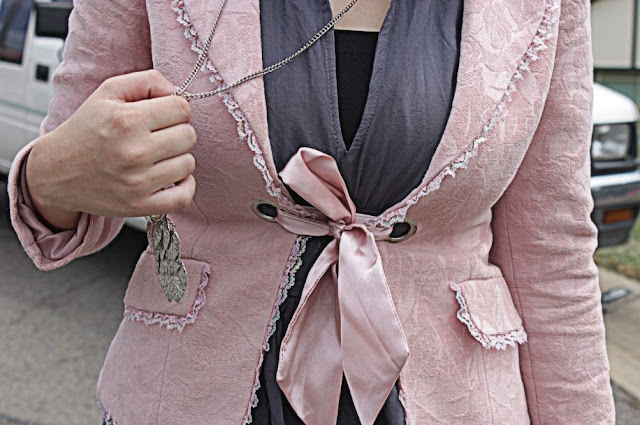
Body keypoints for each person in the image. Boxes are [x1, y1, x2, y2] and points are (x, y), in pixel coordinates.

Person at [6, 0, 616, 424]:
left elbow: (552, 256)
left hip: (457, 398)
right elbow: (71, 176)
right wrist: (49, 178)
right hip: (194, 390)